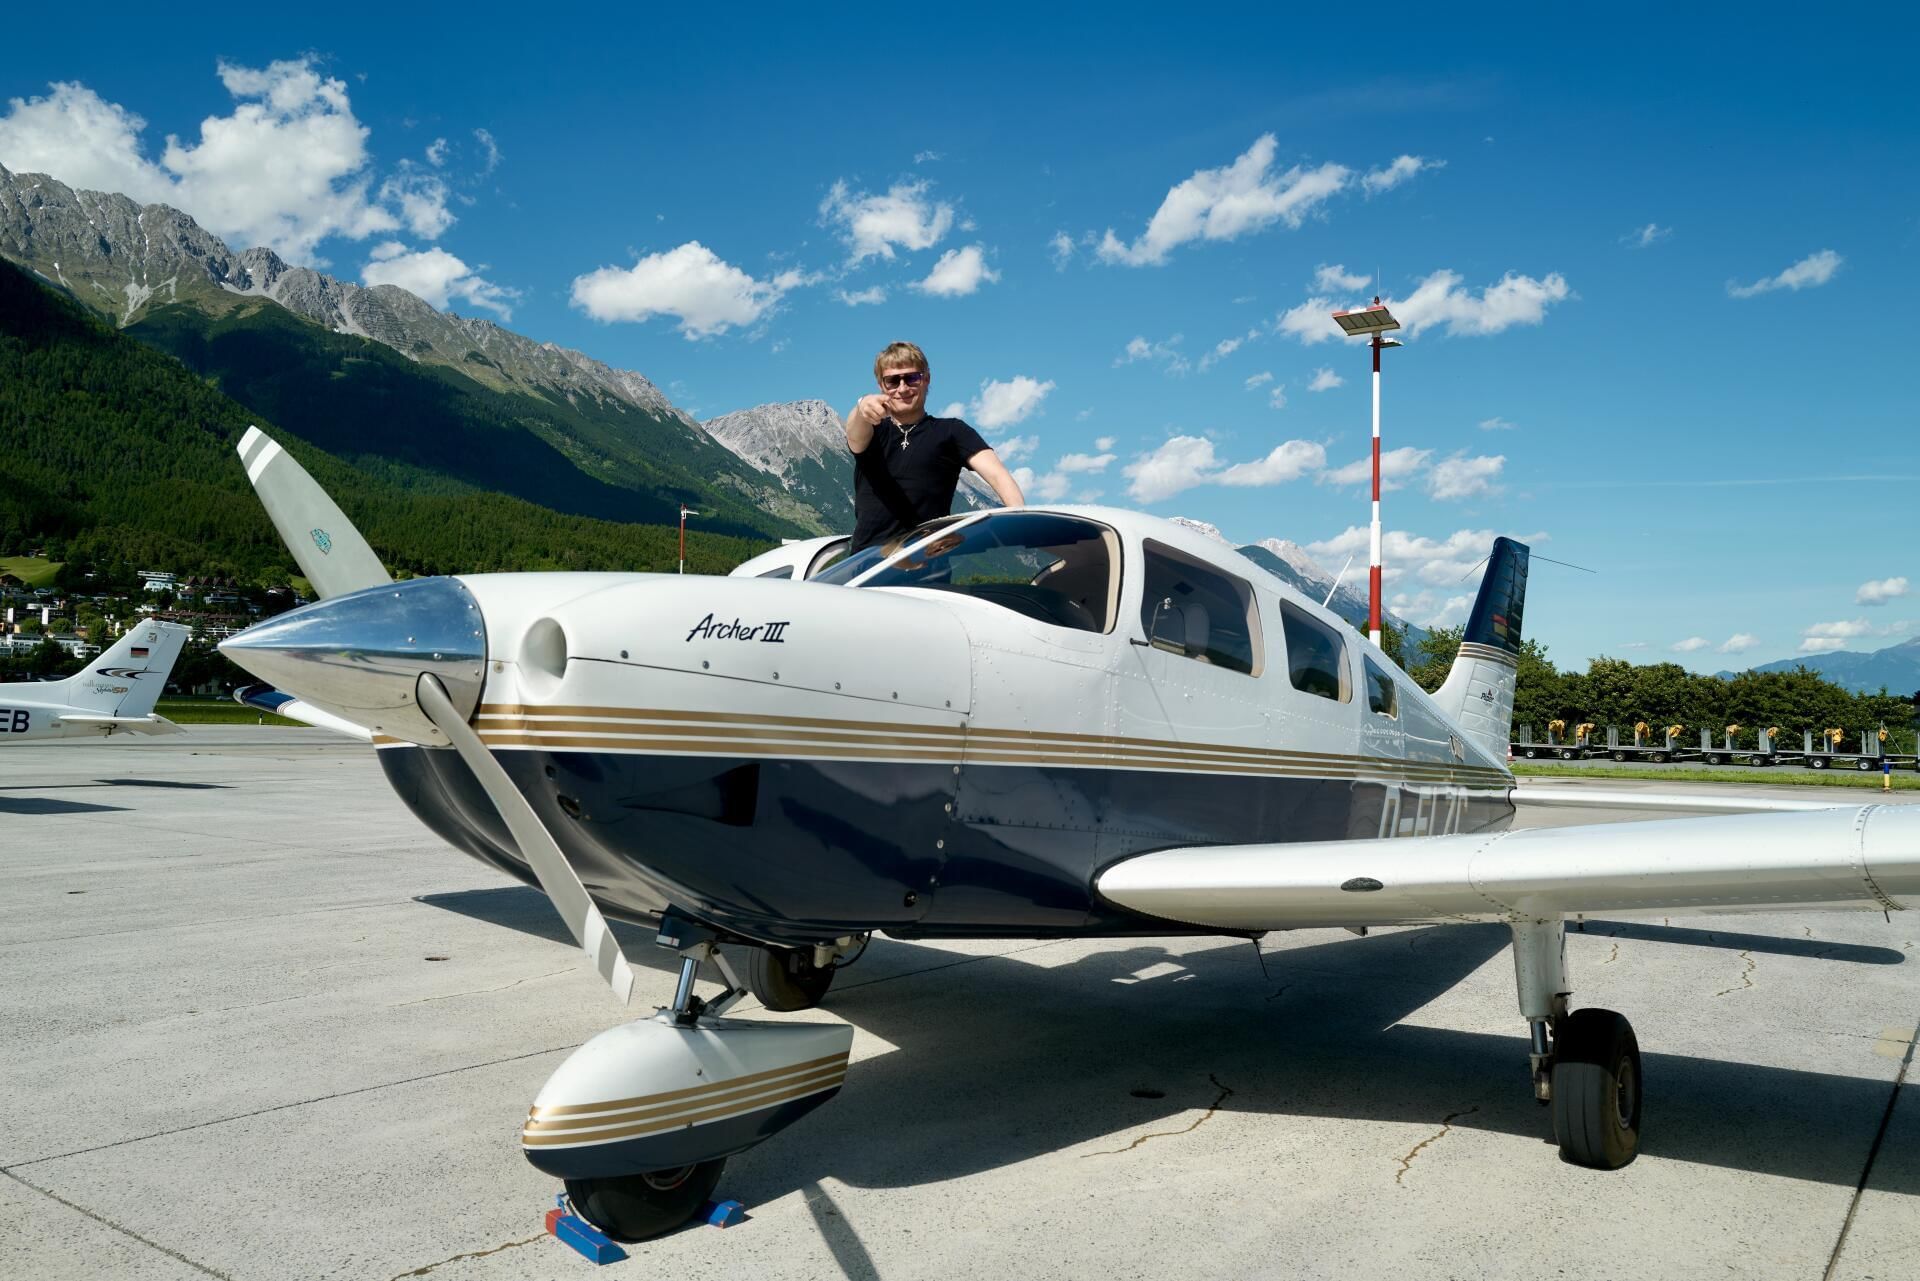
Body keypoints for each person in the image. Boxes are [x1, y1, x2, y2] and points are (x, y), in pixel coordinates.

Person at [844, 341, 1024, 551]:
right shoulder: (872, 430)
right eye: (893, 381)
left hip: (928, 565)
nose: (903, 388)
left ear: (926, 379)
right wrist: (861, 405)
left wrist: (1021, 523)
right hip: (867, 565)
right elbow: (854, 436)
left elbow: (998, 476)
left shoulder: (953, 431)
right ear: (881, 386)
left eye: (912, 378)